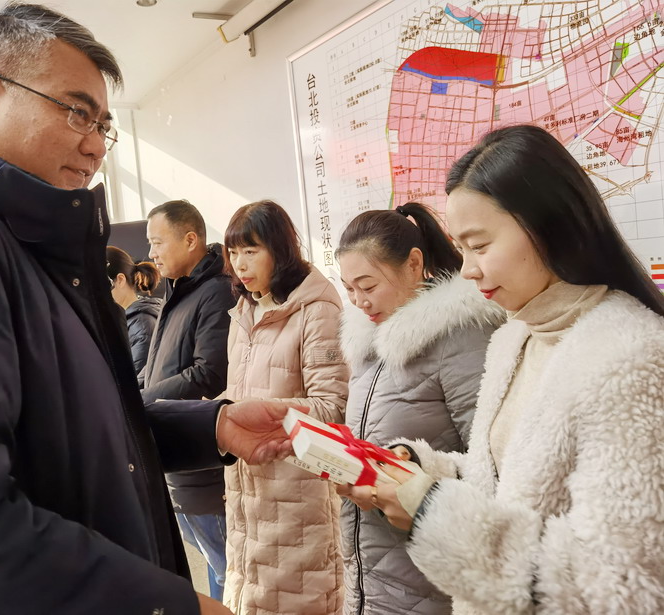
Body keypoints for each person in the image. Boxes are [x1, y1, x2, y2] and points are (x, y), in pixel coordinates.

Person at [0, 4, 299, 614]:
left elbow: (63, 429)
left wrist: (210, 425)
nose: (94, 147)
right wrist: (168, 606)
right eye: (76, 112)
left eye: (104, 125)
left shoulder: (16, 235)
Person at [342, 125, 664, 614]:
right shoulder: (515, 337)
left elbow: (624, 585)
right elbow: (501, 480)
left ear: (548, 226)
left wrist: (430, 511)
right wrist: (419, 468)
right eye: (462, 248)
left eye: (479, 245)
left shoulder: (630, 357)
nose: (467, 269)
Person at [335, 204, 504, 614]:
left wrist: (411, 487)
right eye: (349, 288)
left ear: (414, 264)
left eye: (367, 285)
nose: (358, 301)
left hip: (431, 582)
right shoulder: (369, 343)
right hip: (370, 576)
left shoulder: (462, 339)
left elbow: (493, 468)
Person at [220, 200, 349, 615]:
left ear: (280, 249)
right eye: (233, 252)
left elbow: (332, 406)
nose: (240, 264)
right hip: (247, 493)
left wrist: (248, 412)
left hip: (299, 494)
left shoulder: (316, 308)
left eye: (251, 250)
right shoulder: (244, 310)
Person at [143, 199, 236, 600]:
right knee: (218, 569)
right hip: (178, 457)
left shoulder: (215, 292)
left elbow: (208, 373)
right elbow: (161, 368)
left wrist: (140, 399)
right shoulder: (179, 292)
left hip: (202, 463)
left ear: (191, 239)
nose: (151, 253)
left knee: (229, 573)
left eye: (157, 242)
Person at [106, 245, 161, 378]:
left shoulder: (141, 325)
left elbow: (136, 382)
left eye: (99, 286)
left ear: (120, 280)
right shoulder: (129, 320)